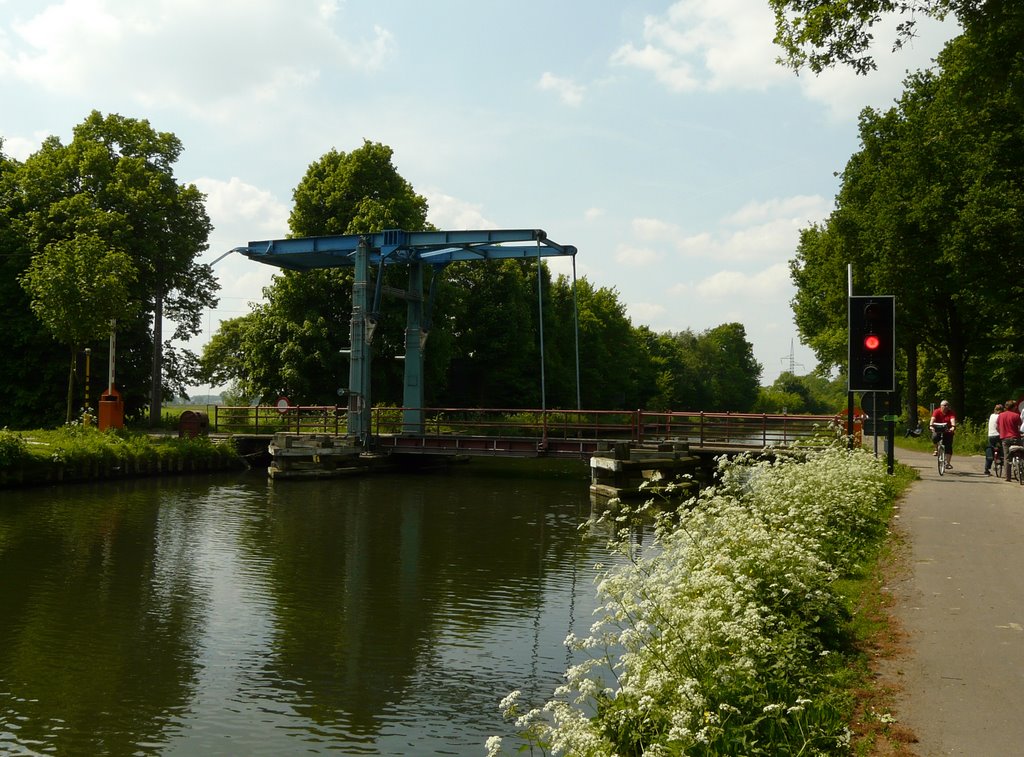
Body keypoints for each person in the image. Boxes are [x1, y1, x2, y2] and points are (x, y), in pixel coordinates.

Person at [997, 400, 1023, 481]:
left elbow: (997, 427)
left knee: (1007, 457)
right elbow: (1019, 427)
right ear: (1014, 407)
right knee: (1022, 453)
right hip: (1016, 438)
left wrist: (1001, 433)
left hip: (1005, 439)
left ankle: (1008, 477)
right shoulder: (1016, 415)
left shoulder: (1000, 416)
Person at [930, 400, 957, 469]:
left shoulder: (951, 413)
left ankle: (948, 463)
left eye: (947, 405)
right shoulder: (937, 411)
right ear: (941, 406)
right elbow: (933, 419)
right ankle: (936, 449)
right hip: (938, 429)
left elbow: (952, 420)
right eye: (945, 405)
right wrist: (931, 425)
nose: (946, 407)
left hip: (947, 430)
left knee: (948, 446)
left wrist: (953, 427)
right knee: (934, 437)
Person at [985, 403, 1004, 475]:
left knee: (990, 450)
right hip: (998, 435)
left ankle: (986, 469)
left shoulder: (991, 415)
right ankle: (1000, 459)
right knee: (1002, 447)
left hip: (990, 435)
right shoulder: (1000, 416)